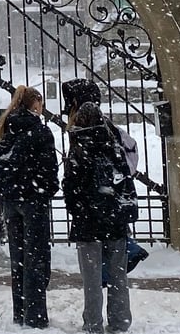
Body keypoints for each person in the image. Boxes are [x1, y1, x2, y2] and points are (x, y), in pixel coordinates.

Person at [63, 101, 138, 334]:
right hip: (114, 219)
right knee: (118, 275)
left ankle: (93, 322)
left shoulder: (78, 146)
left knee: (92, 278)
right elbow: (127, 174)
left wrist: (77, 208)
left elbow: (70, 186)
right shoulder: (113, 142)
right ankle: (120, 319)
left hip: (88, 221)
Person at [60, 78, 150, 274]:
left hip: (93, 214)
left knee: (95, 276)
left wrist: (78, 204)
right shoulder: (107, 132)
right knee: (116, 276)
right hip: (110, 213)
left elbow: (77, 179)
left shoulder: (88, 133)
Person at [0, 85, 60, 328]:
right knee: (37, 257)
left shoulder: (5, 128)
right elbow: (49, 167)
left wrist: (6, 190)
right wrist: (46, 189)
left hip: (11, 200)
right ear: (34, 104)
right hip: (33, 199)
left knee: (18, 257)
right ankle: (36, 314)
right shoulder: (39, 132)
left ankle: (20, 311)